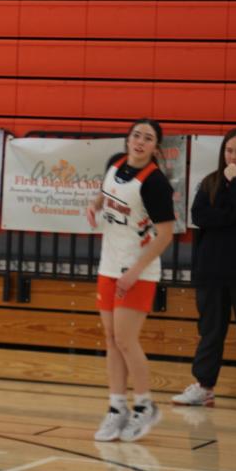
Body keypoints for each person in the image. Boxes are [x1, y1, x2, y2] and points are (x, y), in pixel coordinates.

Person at [85, 119, 175, 442]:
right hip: (108, 265)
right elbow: (104, 194)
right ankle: (116, 406)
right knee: (111, 338)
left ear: (155, 147)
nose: (140, 141)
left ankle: (145, 405)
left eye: (148, 138)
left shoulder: (155, 184)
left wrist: (135, 270)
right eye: (136, 135)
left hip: (138, 270)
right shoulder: (115, 164)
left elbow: (165, 235)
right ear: (128, 138)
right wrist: (95, 206)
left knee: (126, 339)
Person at [172, 128, 236, 413]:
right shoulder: (209, 182)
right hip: (212, 273)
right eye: (229, 151)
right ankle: (204, 388)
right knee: (210, 331)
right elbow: (200, 216)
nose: (234, 156)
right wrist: (234, 215)